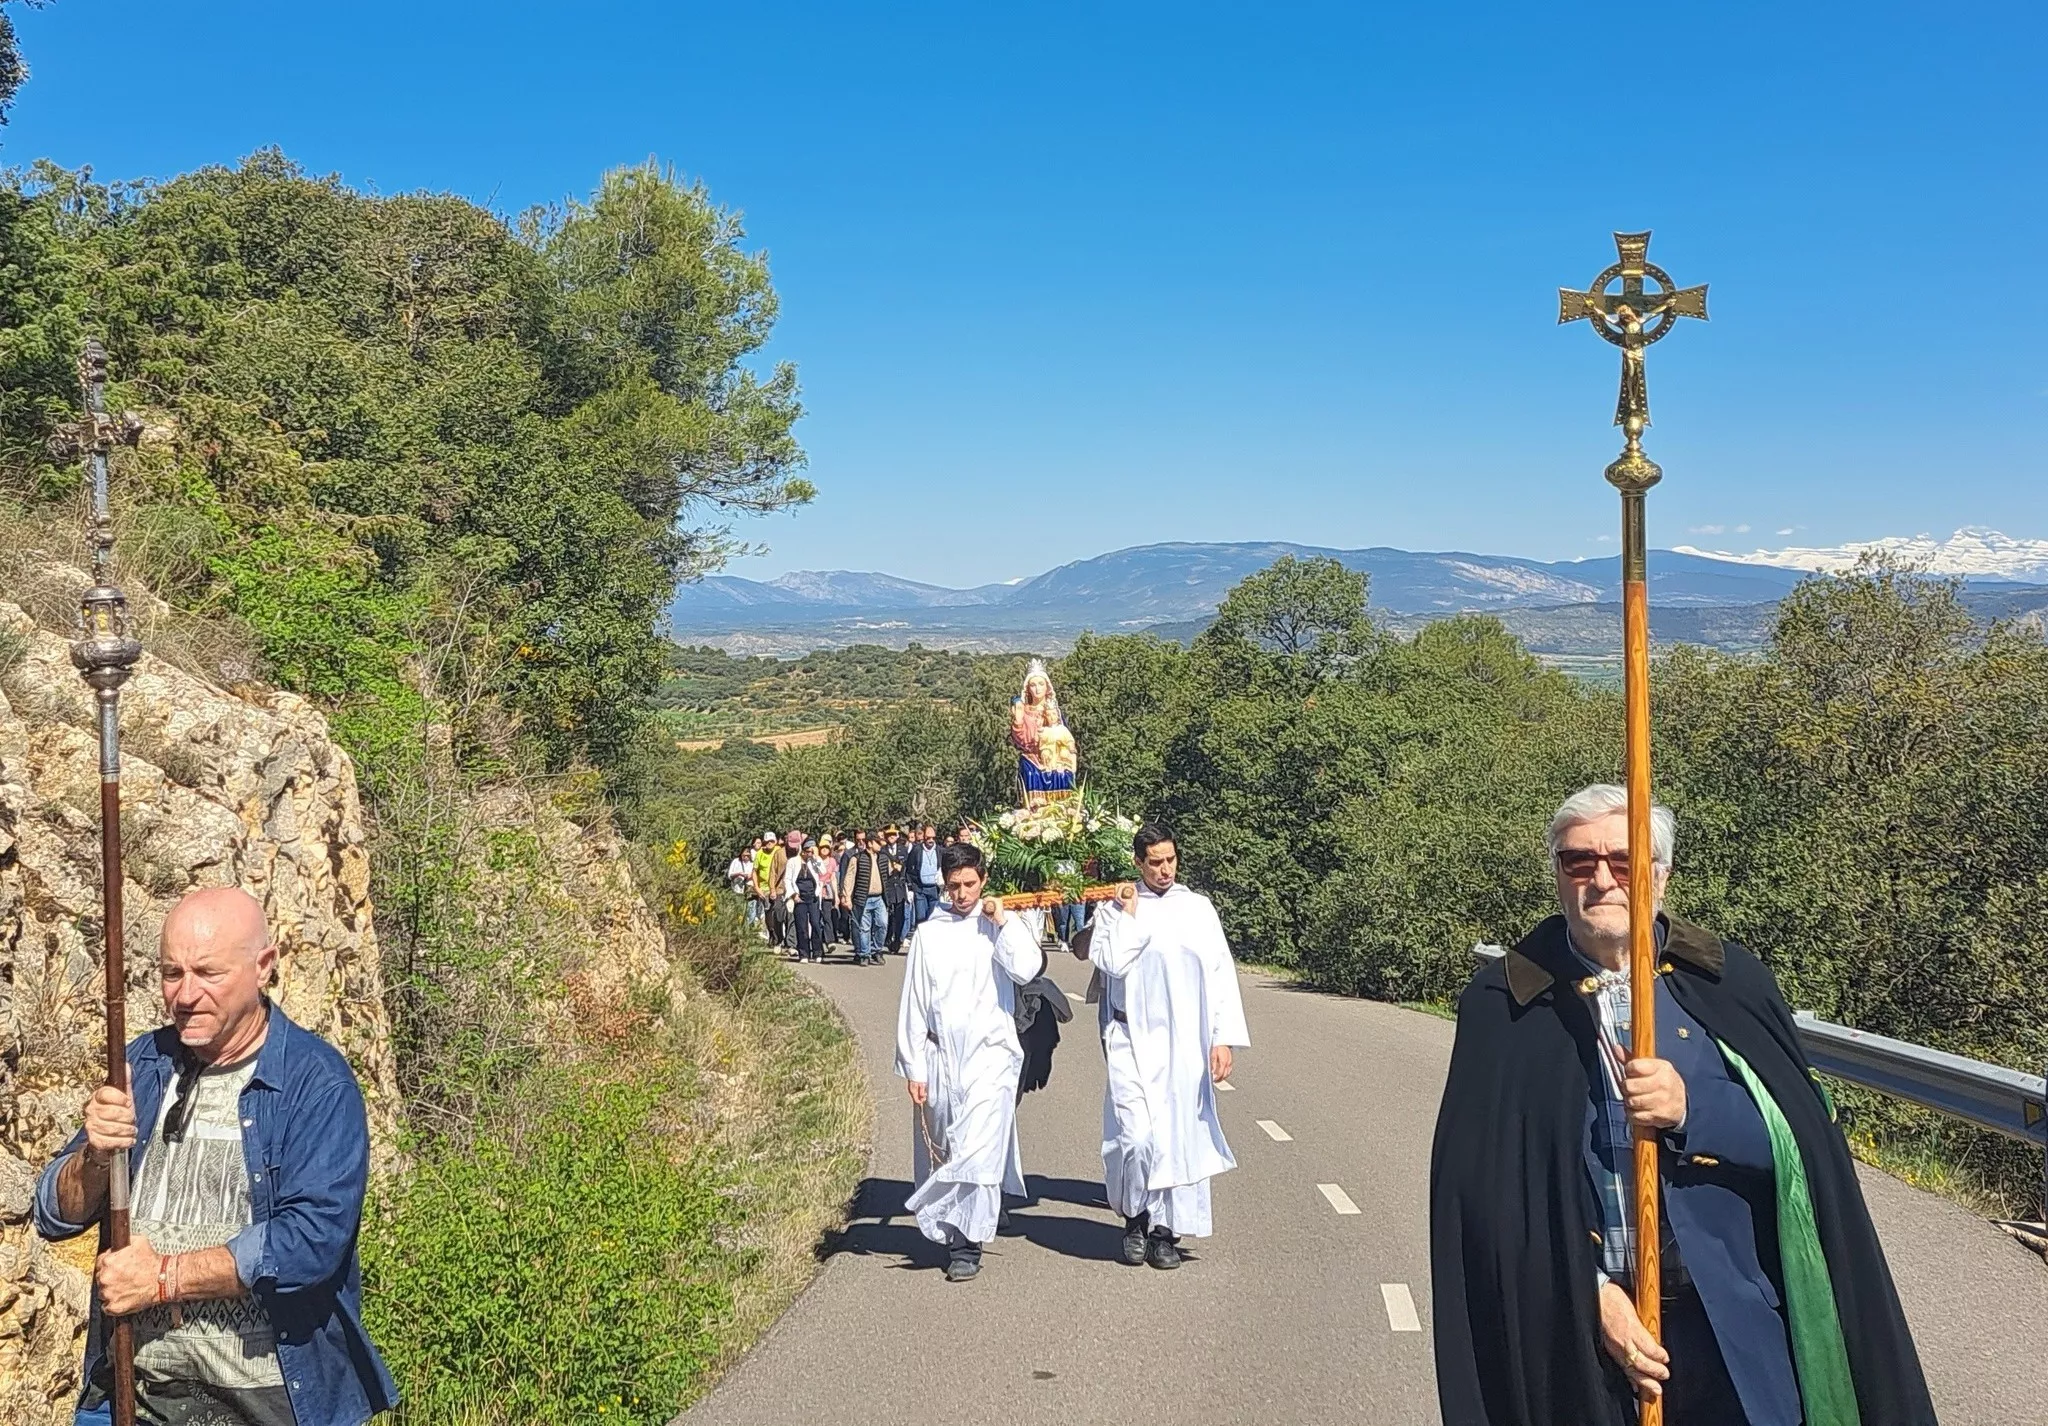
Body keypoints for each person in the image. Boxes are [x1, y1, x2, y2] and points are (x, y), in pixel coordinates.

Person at [1429, 784, 1935, 1426]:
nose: (1601, 880)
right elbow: (1481, 1195)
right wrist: (1591, 1298)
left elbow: (1806, 1142)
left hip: (1731, 1325)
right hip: (1579, 1335)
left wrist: (1692, 1109)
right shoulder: (1509, 1001)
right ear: (1557, 874)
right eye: (1578, 861)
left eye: (1623, 861)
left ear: (1660, 876)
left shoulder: (1725, 980)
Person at [33, 887, 397, 1426]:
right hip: (133, 1397)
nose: (185, 995)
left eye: (208, 973)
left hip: (268, 1404)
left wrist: (163, 1279)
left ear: (263, 967)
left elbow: (311, 1241)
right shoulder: (143, 1063)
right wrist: (95, 1155)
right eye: (172, 973)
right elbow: (52, 1212)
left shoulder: (316, 1084)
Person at [1081, 824, 1249, 1270]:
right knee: (1134, 1137)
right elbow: (1111, 961)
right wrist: (1129, 913)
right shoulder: (1116, 907)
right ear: (1138, 863)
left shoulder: (1197, 908)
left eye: (1170, 860)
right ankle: (1134, 1216)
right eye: (1154, 862)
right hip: (1130, 1039)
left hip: (1184, 1044)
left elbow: (1219, 973)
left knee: (1178, 1137)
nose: (1164, 870)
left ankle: (1165, 1232)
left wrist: (1223, 1038)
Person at [894, 842, 1045, 1282]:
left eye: (970, 885)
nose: (962, 894)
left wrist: (1002, 921)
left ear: (984, 881)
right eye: (954, 885)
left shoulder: (998, 925)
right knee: (947, 1147)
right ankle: (953, 1224)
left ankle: (968, 1244)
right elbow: (914, 1004)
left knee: (978, 1149)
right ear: (944, 883)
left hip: (991, 1056)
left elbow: (1027, 967)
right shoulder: (928, 934)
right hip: (942, 1057)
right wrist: (914, 1067)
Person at [1009, 660, 1078, 807]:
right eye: (1033, 685)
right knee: (1031, 772)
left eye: (1041, 684)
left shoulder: (1055, 711)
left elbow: (1064, 735)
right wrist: (1018, 720)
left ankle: (1062, 809)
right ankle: (1035, 809)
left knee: (1062, 774)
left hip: (1055, 756)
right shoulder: (1025, 711)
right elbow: (1020, 740)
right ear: (1028, 689)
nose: (1037, 689)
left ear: (1047, 687)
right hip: (1032, 756)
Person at [840, 830, 891, 967]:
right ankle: (864, 954)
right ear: (869, 843)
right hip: (863, 898)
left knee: (882, 924)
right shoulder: (856, 859)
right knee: (864, 928)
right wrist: (847, 897)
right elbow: (849, 879)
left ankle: (877, 950)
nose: (880, 845)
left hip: (879, 898)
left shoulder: (883, 858)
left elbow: (890, 873)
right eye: (877, 842)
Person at [789, 837, 827, 963]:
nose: (809, 854)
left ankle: (818, 952)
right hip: (800, 898)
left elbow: (823, 871)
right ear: (802, 851)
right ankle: (804, 953)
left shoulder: (814, 861)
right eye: (807, 851)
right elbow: (787, 880)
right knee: (802, 926)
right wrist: (794, 895)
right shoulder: (793, 862)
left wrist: (816, 858)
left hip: (813, 897)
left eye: (811, 851)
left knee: (816, 924)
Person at [907, 823, 943, 929]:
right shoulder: (916, 850)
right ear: (923, 836)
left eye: (933, 837)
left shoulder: (940, 850)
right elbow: (909, 868)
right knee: (921, 917)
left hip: (934, 889)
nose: (930, 840)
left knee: (933, 917)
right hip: (920, 889)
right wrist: (911, 886)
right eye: (928, 837)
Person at [882, 826, 911, 955]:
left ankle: (897, 940)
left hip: (899, 886)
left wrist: (901, 869)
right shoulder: (882, 851)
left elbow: (908, 867)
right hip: (888, 885)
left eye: (894, 834)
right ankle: (888, 938)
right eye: (889, 835)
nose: (891, 837)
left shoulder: (903, 850)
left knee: (900, 915)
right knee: (889, 915)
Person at [751, 835, 776, 941]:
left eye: (772, 841)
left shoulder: (778, 851)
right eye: (767, 841)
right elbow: (754, 872)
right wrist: (757, 887)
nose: (769, 843)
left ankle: (780, 936)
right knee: (768, 912)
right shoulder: (759, 854)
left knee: (779, 912)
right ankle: (771, 933)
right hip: (764, 888)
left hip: (777, 887)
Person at [728, 845, 758, 928]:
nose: (746, 857)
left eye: (748, 856)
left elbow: (758, 874)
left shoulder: (753, 863)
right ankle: (738, 926)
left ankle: (748, 927)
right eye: (744, 855)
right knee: (739, 909)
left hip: (750, 889)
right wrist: (739, 874)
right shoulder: (736, 861)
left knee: (751, 909)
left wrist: (750, 876)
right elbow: (729, 875)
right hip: (738, 889)